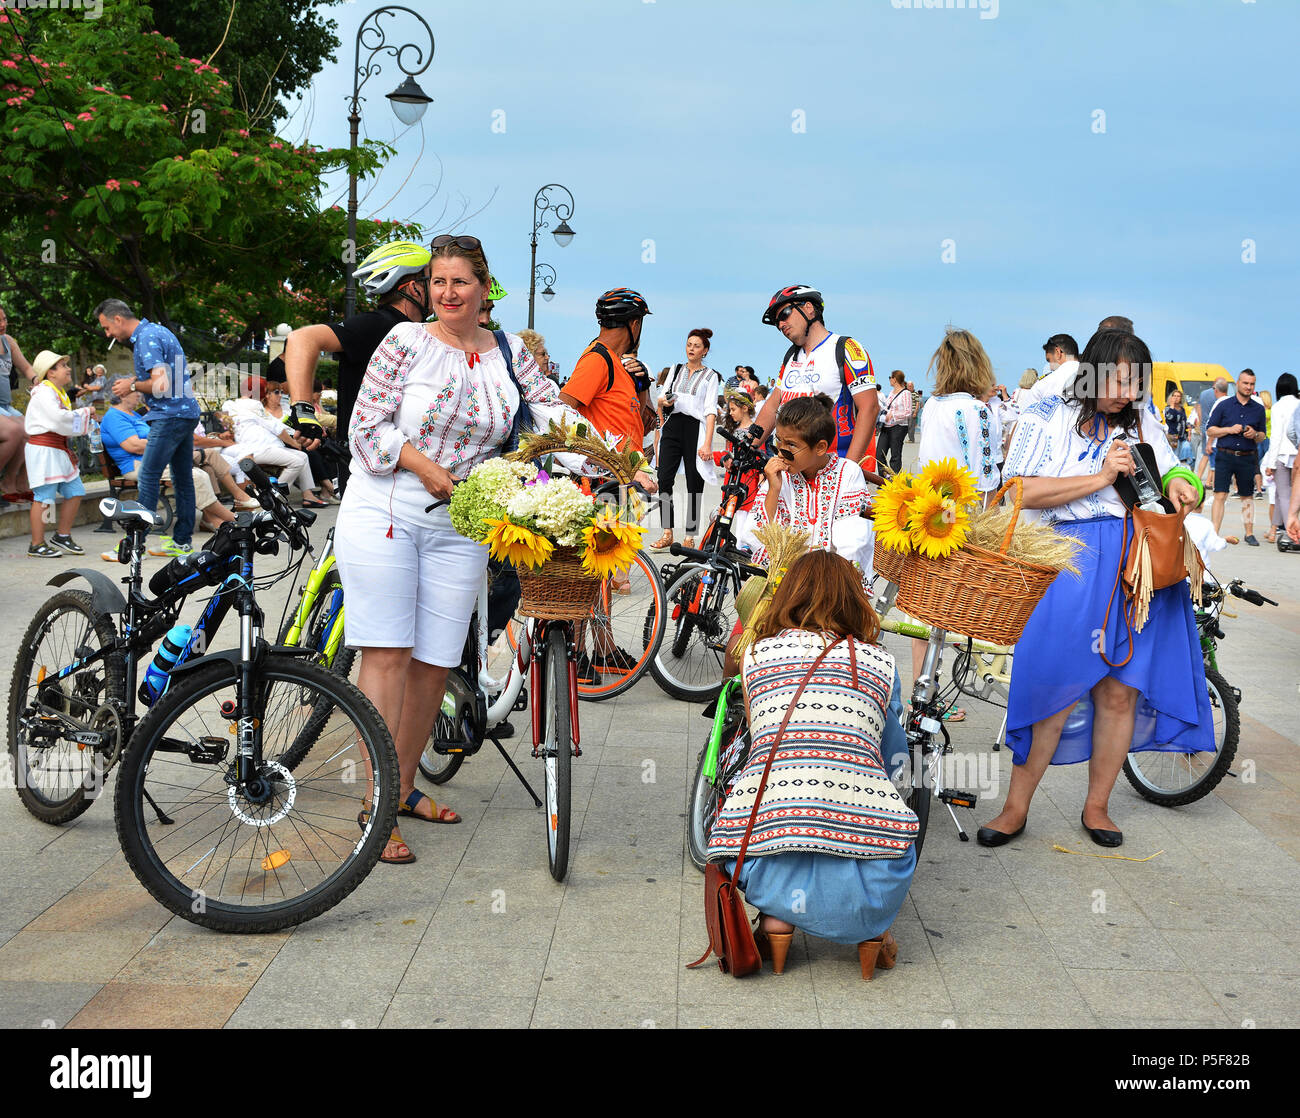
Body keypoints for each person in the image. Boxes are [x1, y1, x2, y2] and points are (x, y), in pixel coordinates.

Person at [338, 234, 583, 865]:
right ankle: (374, 803)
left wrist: (608, 458)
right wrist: (424, 468)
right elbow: (366, 425)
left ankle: (402, 785)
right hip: (387, 507)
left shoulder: (508, 352)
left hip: (462, 522)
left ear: (483, 289)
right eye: (438, 282)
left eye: (460, 283)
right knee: (388, 653)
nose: (447, 294)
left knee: (434, 660)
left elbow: (552, 413)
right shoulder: (405, 341)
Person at [980, 329, 1206, 849]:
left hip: (1139, 569)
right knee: (1051, 689)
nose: (1128, 394)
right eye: (1120, 381)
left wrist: (1181, 487)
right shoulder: (1048, 415)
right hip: (1072, 563)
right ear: (1094, 371)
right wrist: (1101, 477)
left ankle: (1097, 807)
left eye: (1136, 384)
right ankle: (1015, 809)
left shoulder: (1142, 417)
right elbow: (1018, 492)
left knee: (1120, 693)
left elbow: (1173, 471)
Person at [707, 549, 917, 977]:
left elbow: (761, 737)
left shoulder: (757, 656)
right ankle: (868, 928)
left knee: (777, 812)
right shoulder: (881, 663)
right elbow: (895, 757)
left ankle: (777, 920)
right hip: (871, 848)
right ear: (854, 600)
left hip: (765, 840)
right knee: (873, 816)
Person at [282, 240, 436, 486]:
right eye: (433, 280)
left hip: (394, 465)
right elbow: (302, 338)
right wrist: (303, 408)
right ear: (414, 288)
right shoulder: (382, 323)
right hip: (370, 473)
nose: (441, 288)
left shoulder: (416, 330)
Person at [97, 298, 199, 558]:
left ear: (118, 319)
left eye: (107, 328)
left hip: (169, 415)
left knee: (148, 476)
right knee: (182, 478)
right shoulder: (158, 331)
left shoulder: (145, 339)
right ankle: (181, 542)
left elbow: (160, 384)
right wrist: (135, 381)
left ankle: (134, 546)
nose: (108, 334)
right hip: (185, 413)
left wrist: (131, 385)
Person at [751, 285, 880, 468]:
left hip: (834, 464)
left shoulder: (846, 348)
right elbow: (773, 406)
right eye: (777, 323)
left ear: (809, 309)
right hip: (793, 467)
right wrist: (747, 446)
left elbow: (870, 408)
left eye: (784, 314)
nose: (780, 325)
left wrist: (849, 469)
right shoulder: (790, 357)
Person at [752, 394, 873, 578]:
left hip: (834, 581)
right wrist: (773, 490)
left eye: (791, 445)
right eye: (778, 442)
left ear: (820, 447)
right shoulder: (779, 476)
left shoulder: (848, 472)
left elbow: (854, 540)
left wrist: (830, 585)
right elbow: (761, 535)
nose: (781, 453)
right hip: (785, 579)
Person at [100, 389, 238, 541]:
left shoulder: (134, 415)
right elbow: (133, 446)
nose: (139, 395)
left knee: (201, 471)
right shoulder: (114, 417)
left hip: (153, 459)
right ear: (122, 395)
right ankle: (232, 518)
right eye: (135, 392)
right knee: (195, 476)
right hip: (137, 465)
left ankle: (217, 518)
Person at [650, 328, 720, 551]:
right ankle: (667, 532)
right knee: (664, 478)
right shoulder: (676, 369)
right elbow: (661, 399)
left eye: (697, 346)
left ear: (705, 351)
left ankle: (691, 535)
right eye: (689, 344)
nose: (691, 349)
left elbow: (710, 412)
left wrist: (707, 443)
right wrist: (665, 403)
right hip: (673, 426)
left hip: (695, 429)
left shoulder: (710, 376)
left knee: (694, 482)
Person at [23, 351, 91, 557]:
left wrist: (81, 415)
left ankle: (62, 535)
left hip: (57, 450)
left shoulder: (56, 392)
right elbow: (57, 419)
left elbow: (63, 422)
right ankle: (37, 543)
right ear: (50, 373)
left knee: (76, 491)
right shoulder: (44, 392)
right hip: (44, 450)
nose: (68, 369)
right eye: (62, 366)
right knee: (44, 497)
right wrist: (84, 413)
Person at [221, 379, 328, 507]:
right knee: (297, 461)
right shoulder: (255, 405)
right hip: (259, 448)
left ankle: (308, 496)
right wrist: (294, 443)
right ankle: (273, 495)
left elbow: (227, 426)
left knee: (303, 457)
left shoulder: (230, 405)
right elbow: (277, 428)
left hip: (250, 448)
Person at [1206, 369, 1266, 545]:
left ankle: (1249, 533)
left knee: (1247, 496)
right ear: (1238, 384)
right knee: (1220, 495)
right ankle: (1214, 533)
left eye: (1252, 384)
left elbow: (1263, 435)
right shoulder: (1224, 405)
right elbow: (1210, 429)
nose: (1248, 387)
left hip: (1247, 457)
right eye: (1245, 383)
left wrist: (1255, 434)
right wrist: (1229, 430)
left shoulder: (1258, 409)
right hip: (1225, 455)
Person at [263, 382, 336, 502]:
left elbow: (303, 421)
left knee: (319, 450)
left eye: (281, 392)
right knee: (308, 453)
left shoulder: (287, 408)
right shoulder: (263, 413)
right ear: (267, 395)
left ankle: (311, 495)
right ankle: (328, 487)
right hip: (278, 443)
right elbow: (275, 431)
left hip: (294, 439)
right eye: (277, 392)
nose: (281, 395)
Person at [0, 303, 36, 503]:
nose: (2, 324)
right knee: (14, 431)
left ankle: (15, 483)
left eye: (4, 319)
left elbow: (26, 368)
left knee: (31, 431)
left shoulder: (8, 342)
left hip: (5, 406)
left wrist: (37, 382)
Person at [1262, 373, 1298, 551]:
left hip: (1283, 454)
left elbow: (1275, 436)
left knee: (1284, 495)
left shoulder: (1277, 407)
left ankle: (1292, 534)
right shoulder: (1298, 403)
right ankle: (1273, 529)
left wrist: (1271, 462)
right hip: (1297, 452)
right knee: (1280, 495)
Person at [1019, 333, 1080, 409]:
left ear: (1058, 353)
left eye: (1049, 360)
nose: (1051, 368)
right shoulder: (1095, 378)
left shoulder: (1044, 384)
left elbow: (1026, 415)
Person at [876, 369, 913, 476]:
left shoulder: (906, 393)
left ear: (895, 379)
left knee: (895, 455)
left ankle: (895, 481)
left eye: (890, 378)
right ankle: (885, 478)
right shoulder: (892, 392)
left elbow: (908, 412)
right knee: (879, 454)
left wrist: (894, 415)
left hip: (899, 427)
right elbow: (888, 407)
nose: (889, 380)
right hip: (886, 426)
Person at [1195, 376, 1228, 483]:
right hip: (1215, 429)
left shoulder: (1203, 393)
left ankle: (1199, 478)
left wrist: (1201, 422)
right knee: (1212, 454)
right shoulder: (1219, 396)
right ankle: (1209, 481)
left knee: (1205, 454)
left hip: (1204, 425)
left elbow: (1198, 407)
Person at [1164, 388, 1193, 466]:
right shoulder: (1168, 408)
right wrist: (1172, 405)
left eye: (1178, 396)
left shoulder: (1182, 409)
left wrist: (1188, 431)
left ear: (1181, 398)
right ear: (1171, 397)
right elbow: (1169, 417)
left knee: (1185, 455)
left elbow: (1184, 421)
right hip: (1174, 437)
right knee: (1174, 457)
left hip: (1182, 436)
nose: (1176, 398)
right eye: (1174, 396)